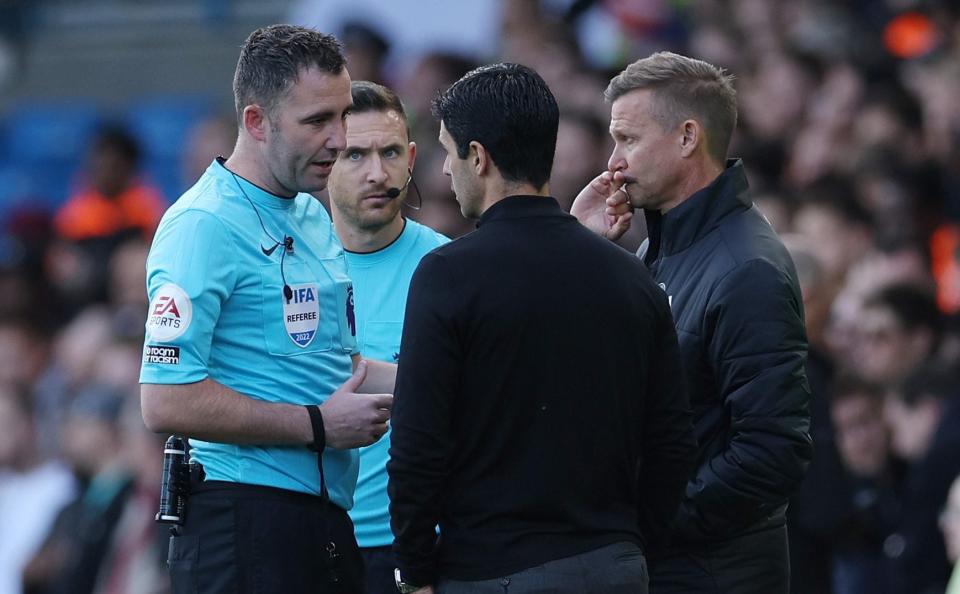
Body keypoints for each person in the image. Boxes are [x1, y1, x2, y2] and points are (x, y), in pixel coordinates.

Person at [388, 62, 697, 594]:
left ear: (478, 158)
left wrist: (415, 573)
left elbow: (418, 447)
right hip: (613, 566)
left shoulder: (447, 276)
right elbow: (671, 442)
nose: (442, 171)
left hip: (488, 571)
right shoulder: (631, 277)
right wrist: (631, 546)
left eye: (448, 151)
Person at [139, 25, 396, 594]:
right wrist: (316, 427)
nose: (338, 140)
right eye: (316, 122)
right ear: (256, 122)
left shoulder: (310, 214)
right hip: (241, 522)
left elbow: (340, 367)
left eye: (341, 115)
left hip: (323, 523)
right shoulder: (200, 224)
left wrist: (451, 378)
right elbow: (164, 398)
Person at [571, 51, 812, 593]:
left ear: (686, 138)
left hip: (715, 572)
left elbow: (772, 452)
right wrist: (583, 251)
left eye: (627, 140)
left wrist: (654, 521)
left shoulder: (747, 270)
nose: (612, 162)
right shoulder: (656, 250)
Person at [326, 80, 448, 594]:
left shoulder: (447, 270)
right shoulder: (287, 267)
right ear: (325, 157)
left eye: (390, 152)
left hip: (424, 549)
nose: (378, 173)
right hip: (318, 539)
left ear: (413, 157)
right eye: (355, 154)